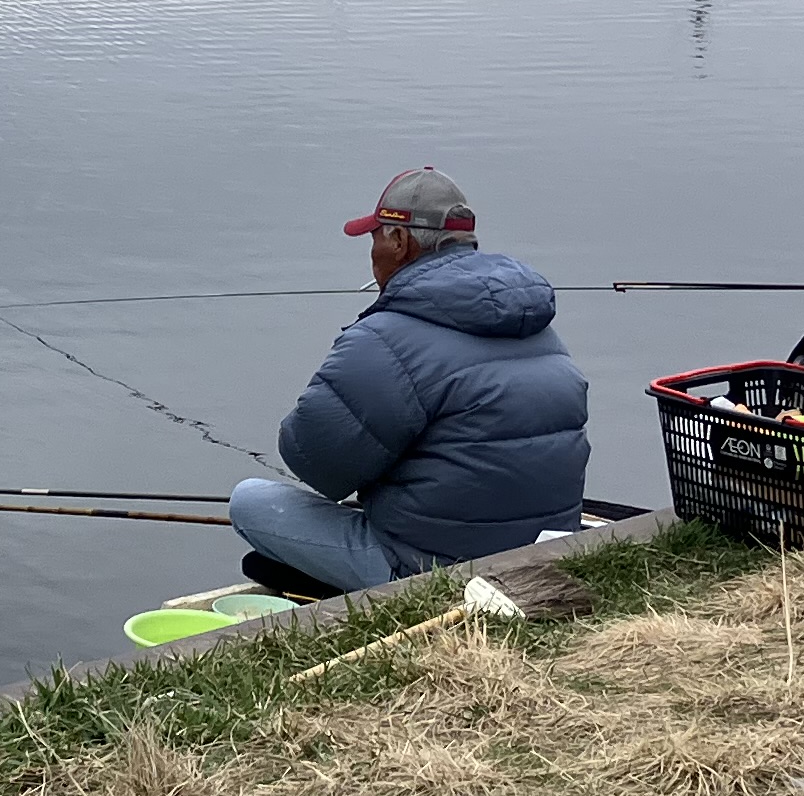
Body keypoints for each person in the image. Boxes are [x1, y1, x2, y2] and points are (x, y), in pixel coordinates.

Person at [228, 166, 593, 595]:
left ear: (400, 242)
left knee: (250, 500)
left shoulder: (385, 338)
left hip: (436, 573)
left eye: (376, 238)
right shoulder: (536, 325)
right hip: (541, 552)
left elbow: (310, 457)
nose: (373, 252)